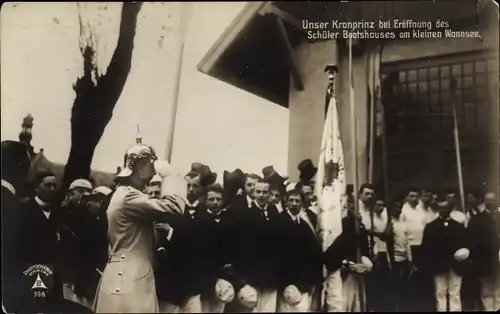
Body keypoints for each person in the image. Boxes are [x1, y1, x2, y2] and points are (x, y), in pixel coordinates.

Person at [93, 143, 186, 313]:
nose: (153, 173)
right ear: (141, 166)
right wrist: (170, 175)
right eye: (152, 165)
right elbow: (175, 207)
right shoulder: (128, 196)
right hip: (131, 276)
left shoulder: (122, 194)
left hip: (122, 273)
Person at [230, 179, 281, 312]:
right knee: (252, 308)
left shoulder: (274, 214)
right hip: (252, 272)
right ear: (253, 193)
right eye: (258, 192)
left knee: (268, 308)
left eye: (265, 192)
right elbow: (240, 246)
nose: (262, 195)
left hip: (271, 272)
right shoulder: (245, 216)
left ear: (269, 194)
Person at [197, 184, 243, 313]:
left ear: (223, 201)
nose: (215, 202)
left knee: (219, 308)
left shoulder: (230, 222)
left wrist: (230, 263)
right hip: (204, 274)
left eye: (218, 199)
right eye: (211, 199)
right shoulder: (199, 221)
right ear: (205, 200)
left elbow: (234, 246)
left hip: (223, 273)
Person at [276, 188, 323, 312]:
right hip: (286, 280)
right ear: (286, 202)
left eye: (297, 201)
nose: (294, 204)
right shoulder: (278, 222)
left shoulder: (304, 225)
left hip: (303, 280)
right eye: (291, 200)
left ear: (302, 203)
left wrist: (312, 279)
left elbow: (313, 253)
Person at [420, 201, 470, 312]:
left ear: (451, 209)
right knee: (440, 291)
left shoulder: (458, 226)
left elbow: (465, 244)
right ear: (438, 209)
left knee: (455, 292)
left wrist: (461, 255)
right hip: (438, 265)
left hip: (456, 264)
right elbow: (426, 247)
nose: (443, 210)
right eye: (441, 208)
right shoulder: (431, 226)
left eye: (446, 208)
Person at [467, 191, 500, 311]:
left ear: (497, 201)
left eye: (492, 200)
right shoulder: (477, 219)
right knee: (487, 290)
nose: (490, 202)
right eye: (487, 200)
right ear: (484, 202)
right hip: (485, 260)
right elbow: (471, 240)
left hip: (499, 259)